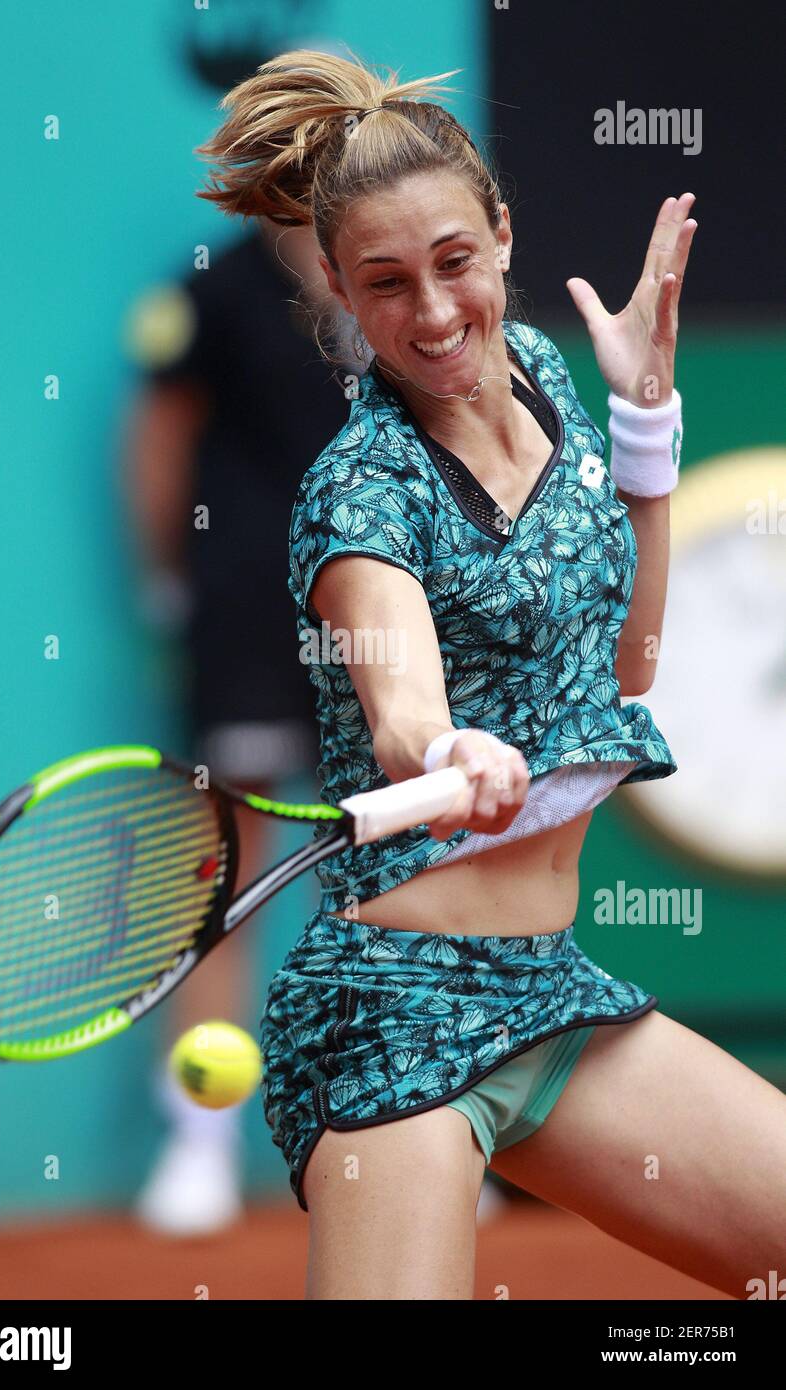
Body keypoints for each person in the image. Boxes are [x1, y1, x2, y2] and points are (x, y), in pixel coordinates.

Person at [193, 48, 786, 1299]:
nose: (432, 312)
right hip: (391, 1010)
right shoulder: (359, 491)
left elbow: (627, 657)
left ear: (502, 234)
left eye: (453, 261)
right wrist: (443, 750)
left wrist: (644, 436)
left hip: (548, 989)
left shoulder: (544, 373)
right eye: (385, 283)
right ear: (344, 298)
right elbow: (401, 707)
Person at [122, 217, 355, 1232]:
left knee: (388, 875)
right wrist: (169, 580)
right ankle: (199, 1145)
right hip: (247, 618)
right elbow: (160, 429)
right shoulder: (214, 285)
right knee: (223, 870)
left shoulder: (392, 277)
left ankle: (414, 1134)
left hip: (381, 620)